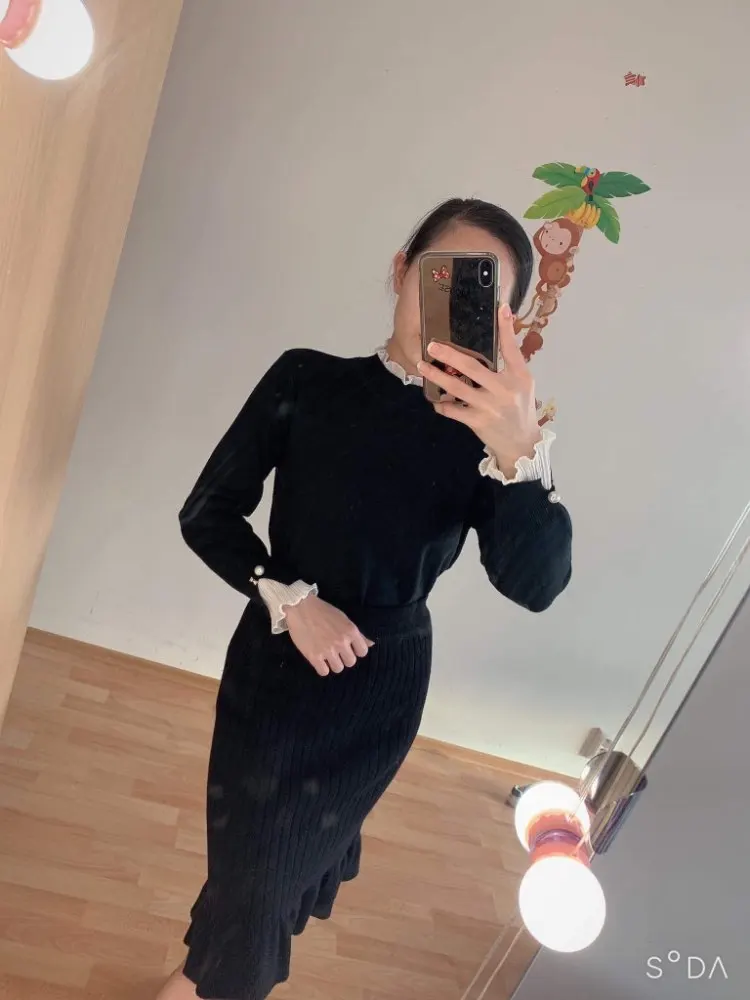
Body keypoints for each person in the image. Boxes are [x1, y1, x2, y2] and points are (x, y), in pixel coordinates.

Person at [157, 198, 573, 1000]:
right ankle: (210, 977)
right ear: (401, 270)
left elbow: (535, 585)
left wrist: (521, 453)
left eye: (482, 295)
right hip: (277, 666)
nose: (452, 305)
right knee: (249, 865)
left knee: (278, 869)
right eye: (441, 277)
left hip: (381, 689)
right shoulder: (307, 379)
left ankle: (200, 979)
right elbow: (206, 513)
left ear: (505, 325)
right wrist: (291, 599)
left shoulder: (493, 440)